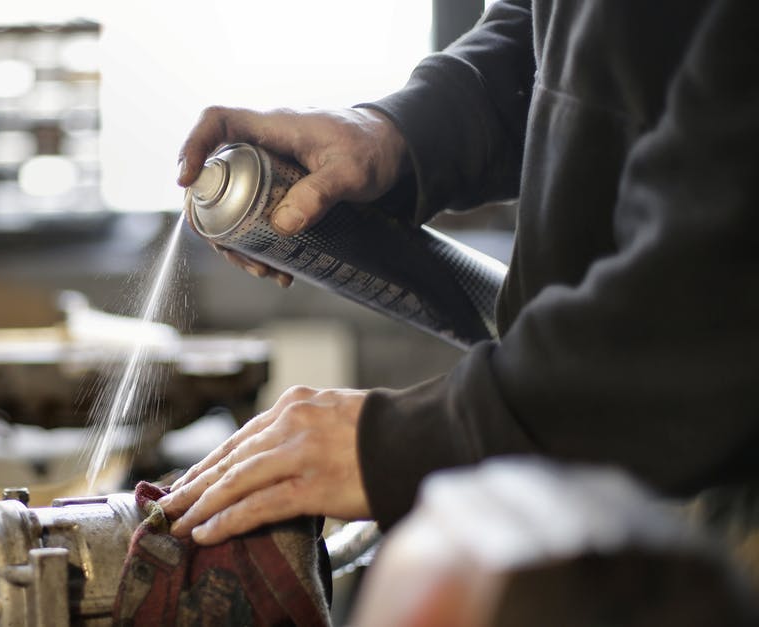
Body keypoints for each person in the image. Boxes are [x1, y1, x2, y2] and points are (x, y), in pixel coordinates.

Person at [158, 0, 759, 547]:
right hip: (576, 447)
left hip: (711, 488)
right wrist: (399, 131)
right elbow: (571, 29)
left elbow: (715, 300)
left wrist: (416, 441)